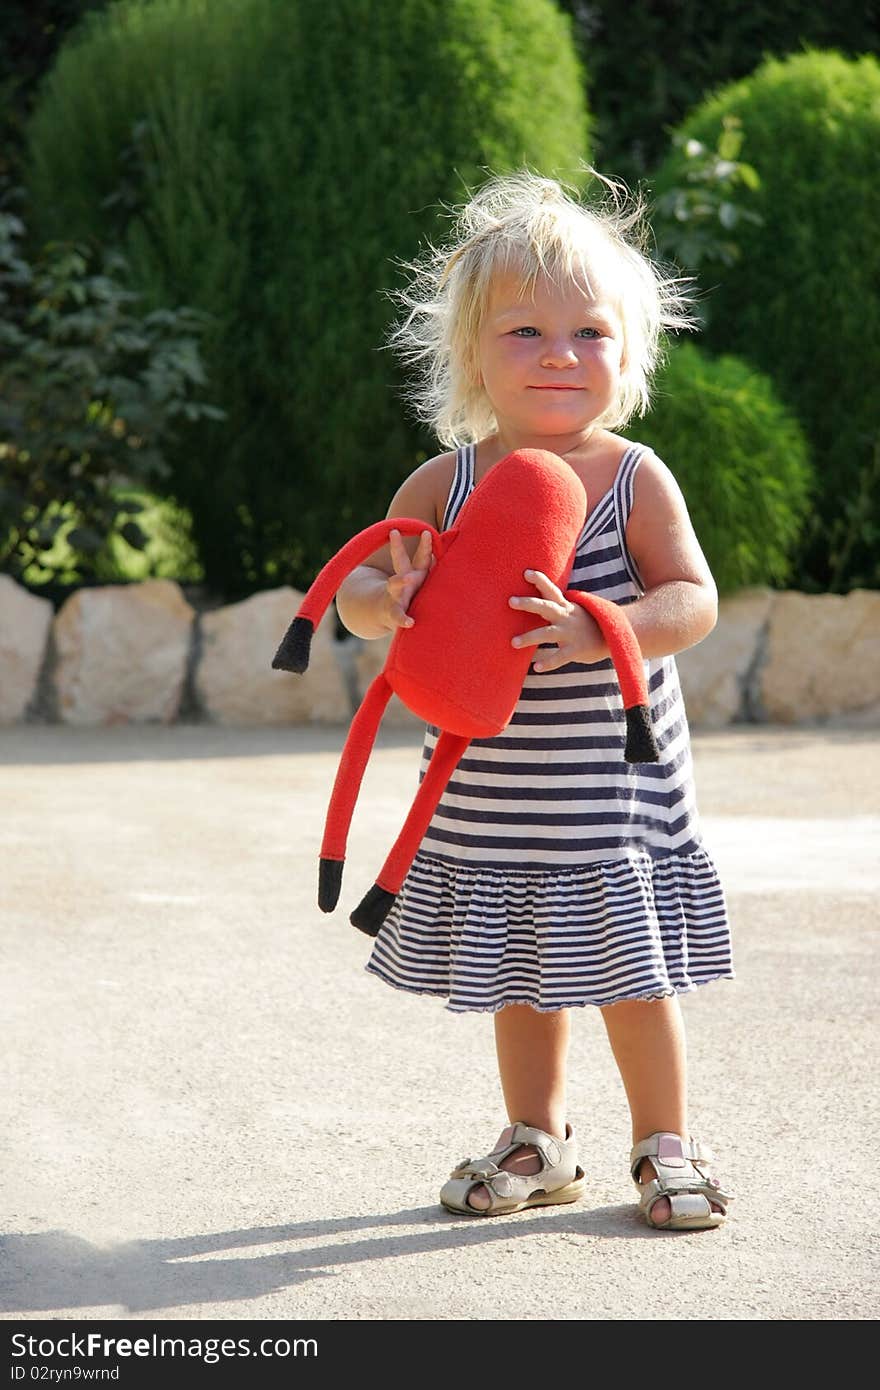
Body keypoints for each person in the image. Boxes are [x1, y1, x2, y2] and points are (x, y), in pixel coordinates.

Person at [335, 170, 734, 1231]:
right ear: (469, 355)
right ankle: (537, 1136)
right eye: (524, 331)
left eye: (589, 332)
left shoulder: (635, 477)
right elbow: (359, 601)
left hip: (610, 789)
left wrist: (600, 626)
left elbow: (690, 601)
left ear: (626, 353)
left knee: (630, 974)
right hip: (492, 786)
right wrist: (395, 598)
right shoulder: (444, 485)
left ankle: (664, 1143)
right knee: (523, 970)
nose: (561, 353)